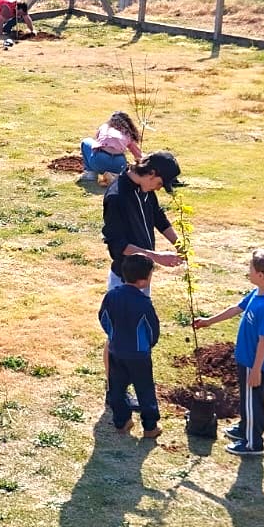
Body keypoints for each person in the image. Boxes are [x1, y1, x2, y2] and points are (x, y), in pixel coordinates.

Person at [193, 249, 264, 457]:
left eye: (251, 268)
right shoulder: (257, 294)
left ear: (260, 276)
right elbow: (235, 308)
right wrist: (209, 321)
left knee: (254, 402)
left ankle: (253, 444)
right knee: (246, 399)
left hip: (254, 365)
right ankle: (245, 428)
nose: (248, 271)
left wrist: (255, 370)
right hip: (245, 360)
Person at [100, 254, 163, 439]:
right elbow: (153, 329)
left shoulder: (111, 296)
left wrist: (112, 336)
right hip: (139, 355)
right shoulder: (144, 303)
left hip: (116, 351)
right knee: (145, 390)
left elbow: (103, 318)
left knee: (117, 388)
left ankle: (122, 421)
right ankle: (150, 427)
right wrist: (148, 344)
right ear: (144, 281)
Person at [101, 152, 184, 289]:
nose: (158, 188)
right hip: (125, 280)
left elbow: (158, 216)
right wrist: (157, 257)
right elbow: (118, 244)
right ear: (151, 173)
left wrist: (178, 244)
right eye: (160, 183)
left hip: (144, 275)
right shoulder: (116, 197)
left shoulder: (144, 186)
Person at [80, 111, 144, 185]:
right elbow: (138, 155)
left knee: (86, 141)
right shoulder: (128, 133)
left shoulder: (105, 127)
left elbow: (96, 143)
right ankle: (114, 176)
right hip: (119, 164)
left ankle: (90, 174)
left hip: (100, 161)